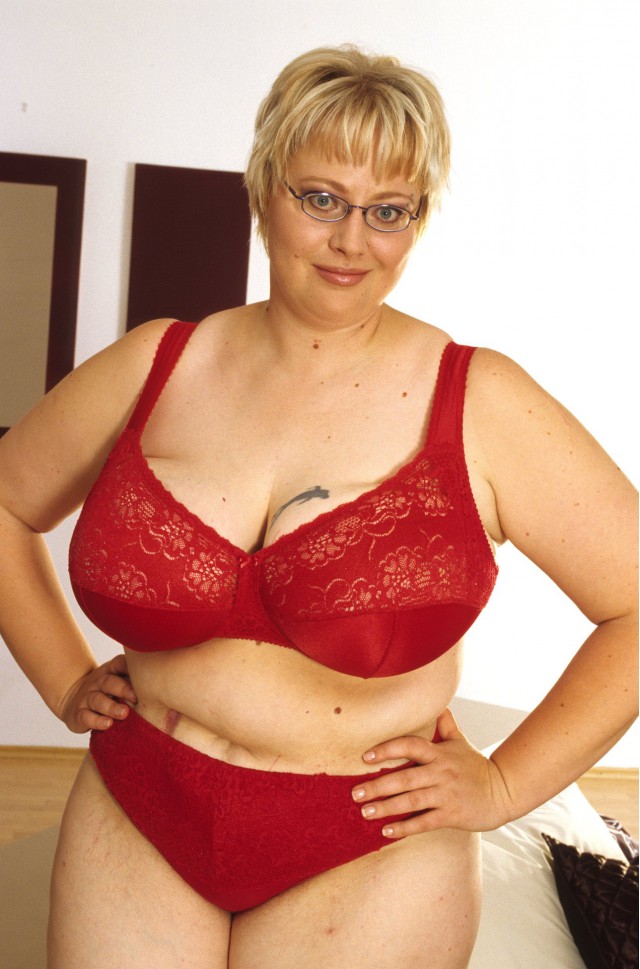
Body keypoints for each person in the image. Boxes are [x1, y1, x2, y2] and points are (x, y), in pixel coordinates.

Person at [0, 44, 636, 969]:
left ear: (417, 220)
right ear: (265, 189)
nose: (352, 241)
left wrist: (502, 785)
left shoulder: (482, 400)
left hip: (366, 840)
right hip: (141, 801)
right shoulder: (157, 362)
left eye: (389, 211)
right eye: (323, 199)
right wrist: (63, 675)